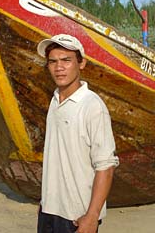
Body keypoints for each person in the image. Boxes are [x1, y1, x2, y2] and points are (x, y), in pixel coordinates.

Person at [37, 34, 119, 233]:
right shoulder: (55, 100)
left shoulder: (92, 106)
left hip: (76, 216)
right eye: (53, 62)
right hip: (49, 210)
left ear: (81, 64)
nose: (59, 67)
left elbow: (106, 166)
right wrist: (45, 204)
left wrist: (91, 216)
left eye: (66, 60)